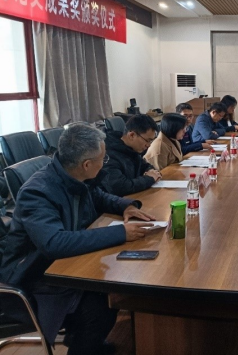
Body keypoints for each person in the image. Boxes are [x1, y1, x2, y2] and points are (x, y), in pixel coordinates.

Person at [0, 124, 155, 355]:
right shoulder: (38, 192)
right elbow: (55, 243)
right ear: (87, 164)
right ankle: (84, 345)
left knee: (111, 286)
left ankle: (88, 342)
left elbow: (98, 196)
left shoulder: (72, 175)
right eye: (103, 159)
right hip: (34, 274)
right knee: (102, 302)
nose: (105, 162)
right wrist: (121, 233)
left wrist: (126, 206)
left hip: (63, 263)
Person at [99, 114, 162, 196]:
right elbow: (119, 187)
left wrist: (151, 171)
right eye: (147, 140)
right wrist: (149, 179)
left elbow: (145, 166)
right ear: (132, 135)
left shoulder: (131, 149)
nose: (149, 145)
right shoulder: (108, 154)